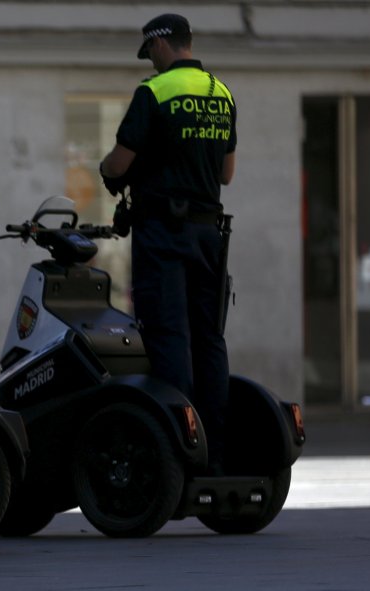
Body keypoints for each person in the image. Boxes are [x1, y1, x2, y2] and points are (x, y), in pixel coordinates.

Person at [99, 14, 237, 474]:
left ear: (160, 45)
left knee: (168, 336)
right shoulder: (221, 93)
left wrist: (109, 169)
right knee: (209, 339)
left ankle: (179, 451)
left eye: (150, 51)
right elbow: (226, 174)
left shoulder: (154, 91)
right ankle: (215, 451)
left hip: (164, 233)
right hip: (208, 233)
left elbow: (119, 165)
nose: (151, 60)